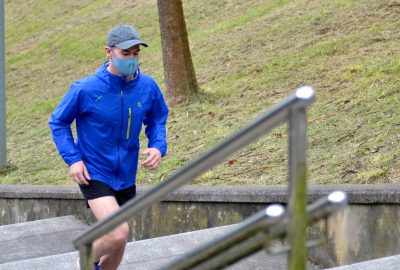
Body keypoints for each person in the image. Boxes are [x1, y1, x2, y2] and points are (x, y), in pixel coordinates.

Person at [49, 24, 169, 270]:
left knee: (119, 242)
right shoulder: (86, 88)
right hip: (94, 172)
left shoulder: (147, 86)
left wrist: (157, 146)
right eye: (126, 54)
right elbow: (58, 122)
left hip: (126, 174)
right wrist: (73, 159)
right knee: (117, 233)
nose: (132, 59)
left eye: (136, 53)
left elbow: (157, 119)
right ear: (109, 52)